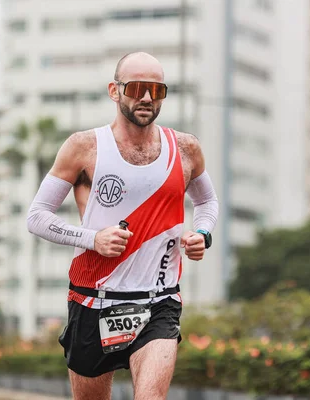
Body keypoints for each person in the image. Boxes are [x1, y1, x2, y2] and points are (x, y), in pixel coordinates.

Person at [27, 52, 219, 400]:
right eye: (137, 88)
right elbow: (37, 216)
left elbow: (207, 202)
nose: (147, 97)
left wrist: (202, 235)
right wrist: (93, 239)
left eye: (157, 90)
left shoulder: (186, 149)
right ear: (115, 91)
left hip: (158, 301)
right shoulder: (84, 147)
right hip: (93, 299)